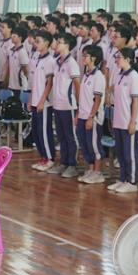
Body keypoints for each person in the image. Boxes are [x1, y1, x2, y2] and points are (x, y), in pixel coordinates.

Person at [108, 48, 138, 193]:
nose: (116, 60)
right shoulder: (119, 75)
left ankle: (132, 181)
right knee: (121, 153)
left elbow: (136, 101)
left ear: (128, 59)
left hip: (128, 121)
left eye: (119, 57)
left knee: (130, 154)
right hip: (118, 120)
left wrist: (133, 121)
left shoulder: (134, 76)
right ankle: (123, 179)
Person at [50, 32, 80, 178]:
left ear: (67, 45)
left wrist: (79, 107)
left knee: (70, 136)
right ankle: (63, 162)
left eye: (60, 42)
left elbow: (77, 85)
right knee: (61, 136)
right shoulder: (57, 62)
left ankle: (72, 164)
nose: (57, 44)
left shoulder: (71, 63)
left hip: (69, 106)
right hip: (57, 104)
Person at [76, 45, 106, 184]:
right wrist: (78, 113)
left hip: (92, 117)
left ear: (93, 58)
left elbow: (97, 100)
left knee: (94, 145)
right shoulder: (86, 75)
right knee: (84, 143)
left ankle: (98, 172)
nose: (83, 58)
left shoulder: (98, 76)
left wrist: (91, 117)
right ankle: (90, 169)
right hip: (82, 114)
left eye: (86, 56)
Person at [29, 31, 56, 171]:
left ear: (46, 43)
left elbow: (49, 83)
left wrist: (42, 101)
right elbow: (34, 82)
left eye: (38, 41)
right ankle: (42, 157)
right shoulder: (37, 58)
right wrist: (30, 99)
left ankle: (49, 158)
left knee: (44, 131)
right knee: (36, 131)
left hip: (44, 103)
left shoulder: (50, 61)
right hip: (35, 100)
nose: (36, 43)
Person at [8, 27, 30, 99]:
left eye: (14, 36)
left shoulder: (22, 52)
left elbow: (25, 69)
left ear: (20, 38)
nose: (12, 37)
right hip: (12, 84)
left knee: (20, 104)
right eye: (12, 35)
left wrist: (24, 79)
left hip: (20, 85)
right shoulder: (11, 50)